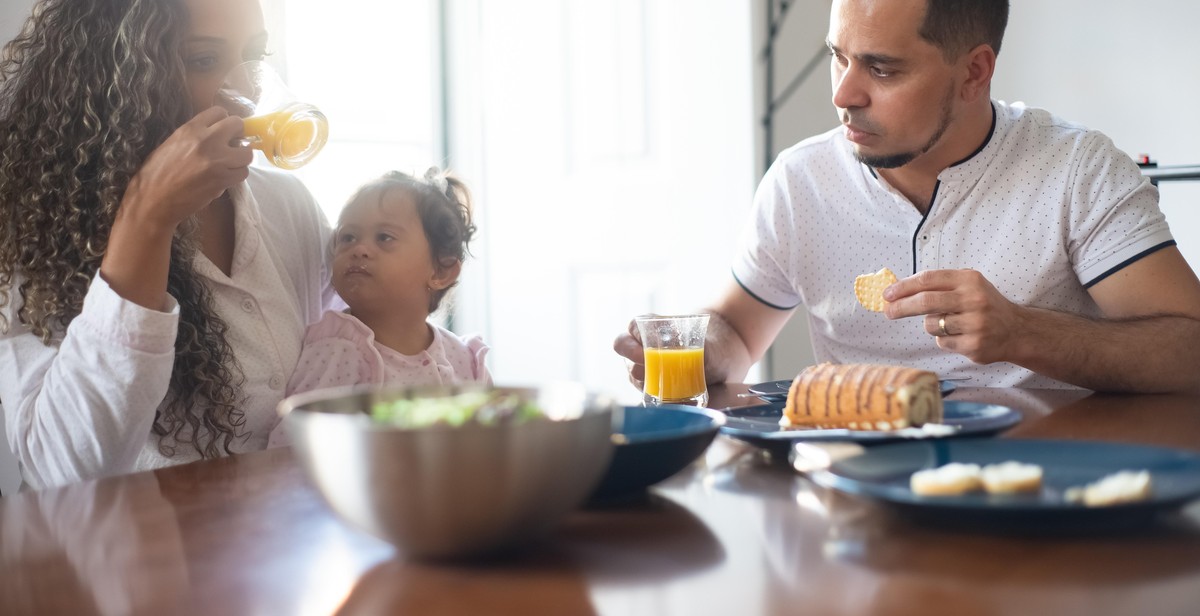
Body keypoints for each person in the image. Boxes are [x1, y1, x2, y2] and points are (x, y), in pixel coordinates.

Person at [615, 0, 1200, 393]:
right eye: (837, 58)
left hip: (1038, 495)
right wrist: (691, 347)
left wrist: (1023, 332)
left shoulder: (1077, 170)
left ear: (974, 73)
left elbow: (1190, 349)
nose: (845, 94)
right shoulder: (800, 183)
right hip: (855, 501)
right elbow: (738, 334)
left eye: (882, 69)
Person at [0, 0, 339, 490]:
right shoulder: (31, 229)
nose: (245, 90)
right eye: (203, 61)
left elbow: (344, 359)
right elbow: (68, 471)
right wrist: (147, 219)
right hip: (125, 561)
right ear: (115, 77)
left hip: (280, 550)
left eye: (255, 56)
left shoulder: (288, 206)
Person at [267, 170, 487, 446]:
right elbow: (288, 451)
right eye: (347, 237)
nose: (359, 249)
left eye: (384, 237)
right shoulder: (336, 350)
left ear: (441, 271)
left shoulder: (465, 360)